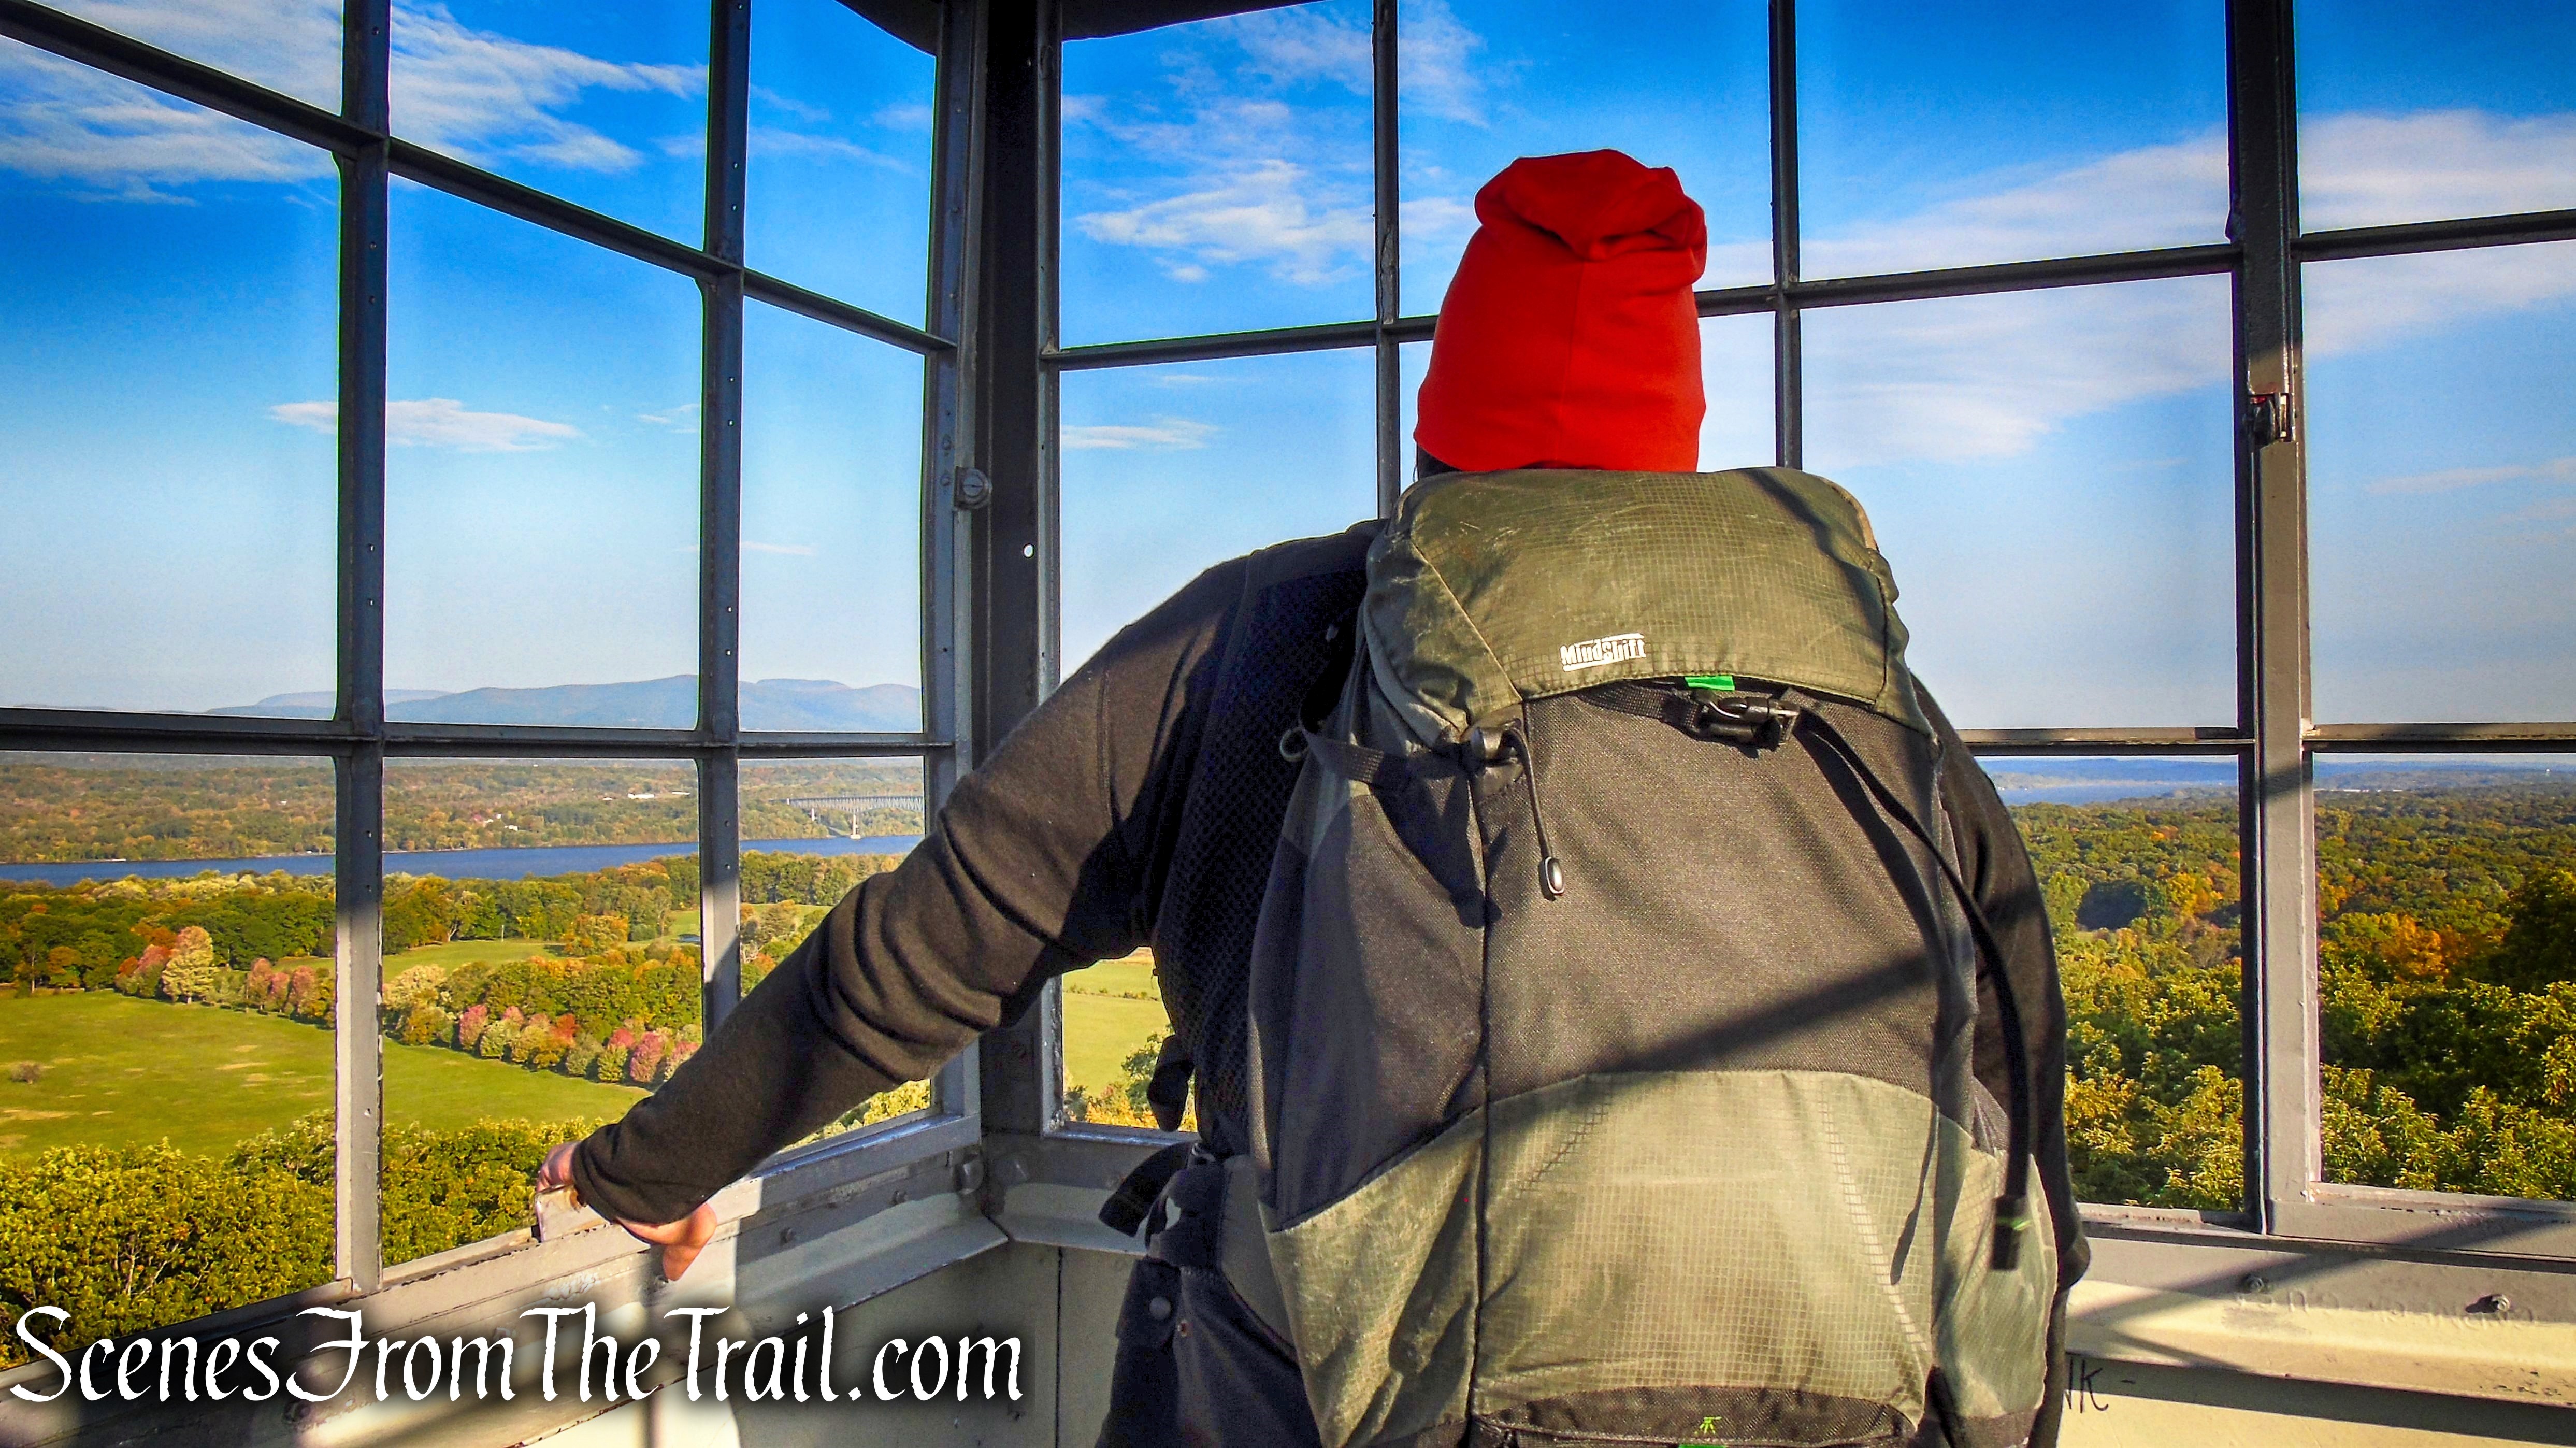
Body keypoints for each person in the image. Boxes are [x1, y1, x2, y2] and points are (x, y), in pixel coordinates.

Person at [540, 148, 2083, 1448]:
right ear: (1676, 454)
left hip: (1305, 1391)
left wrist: (650, 1171)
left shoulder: (1267, 636)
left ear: (1436, 429)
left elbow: (923, 952)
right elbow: (2021, 1083)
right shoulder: (1871, 709)